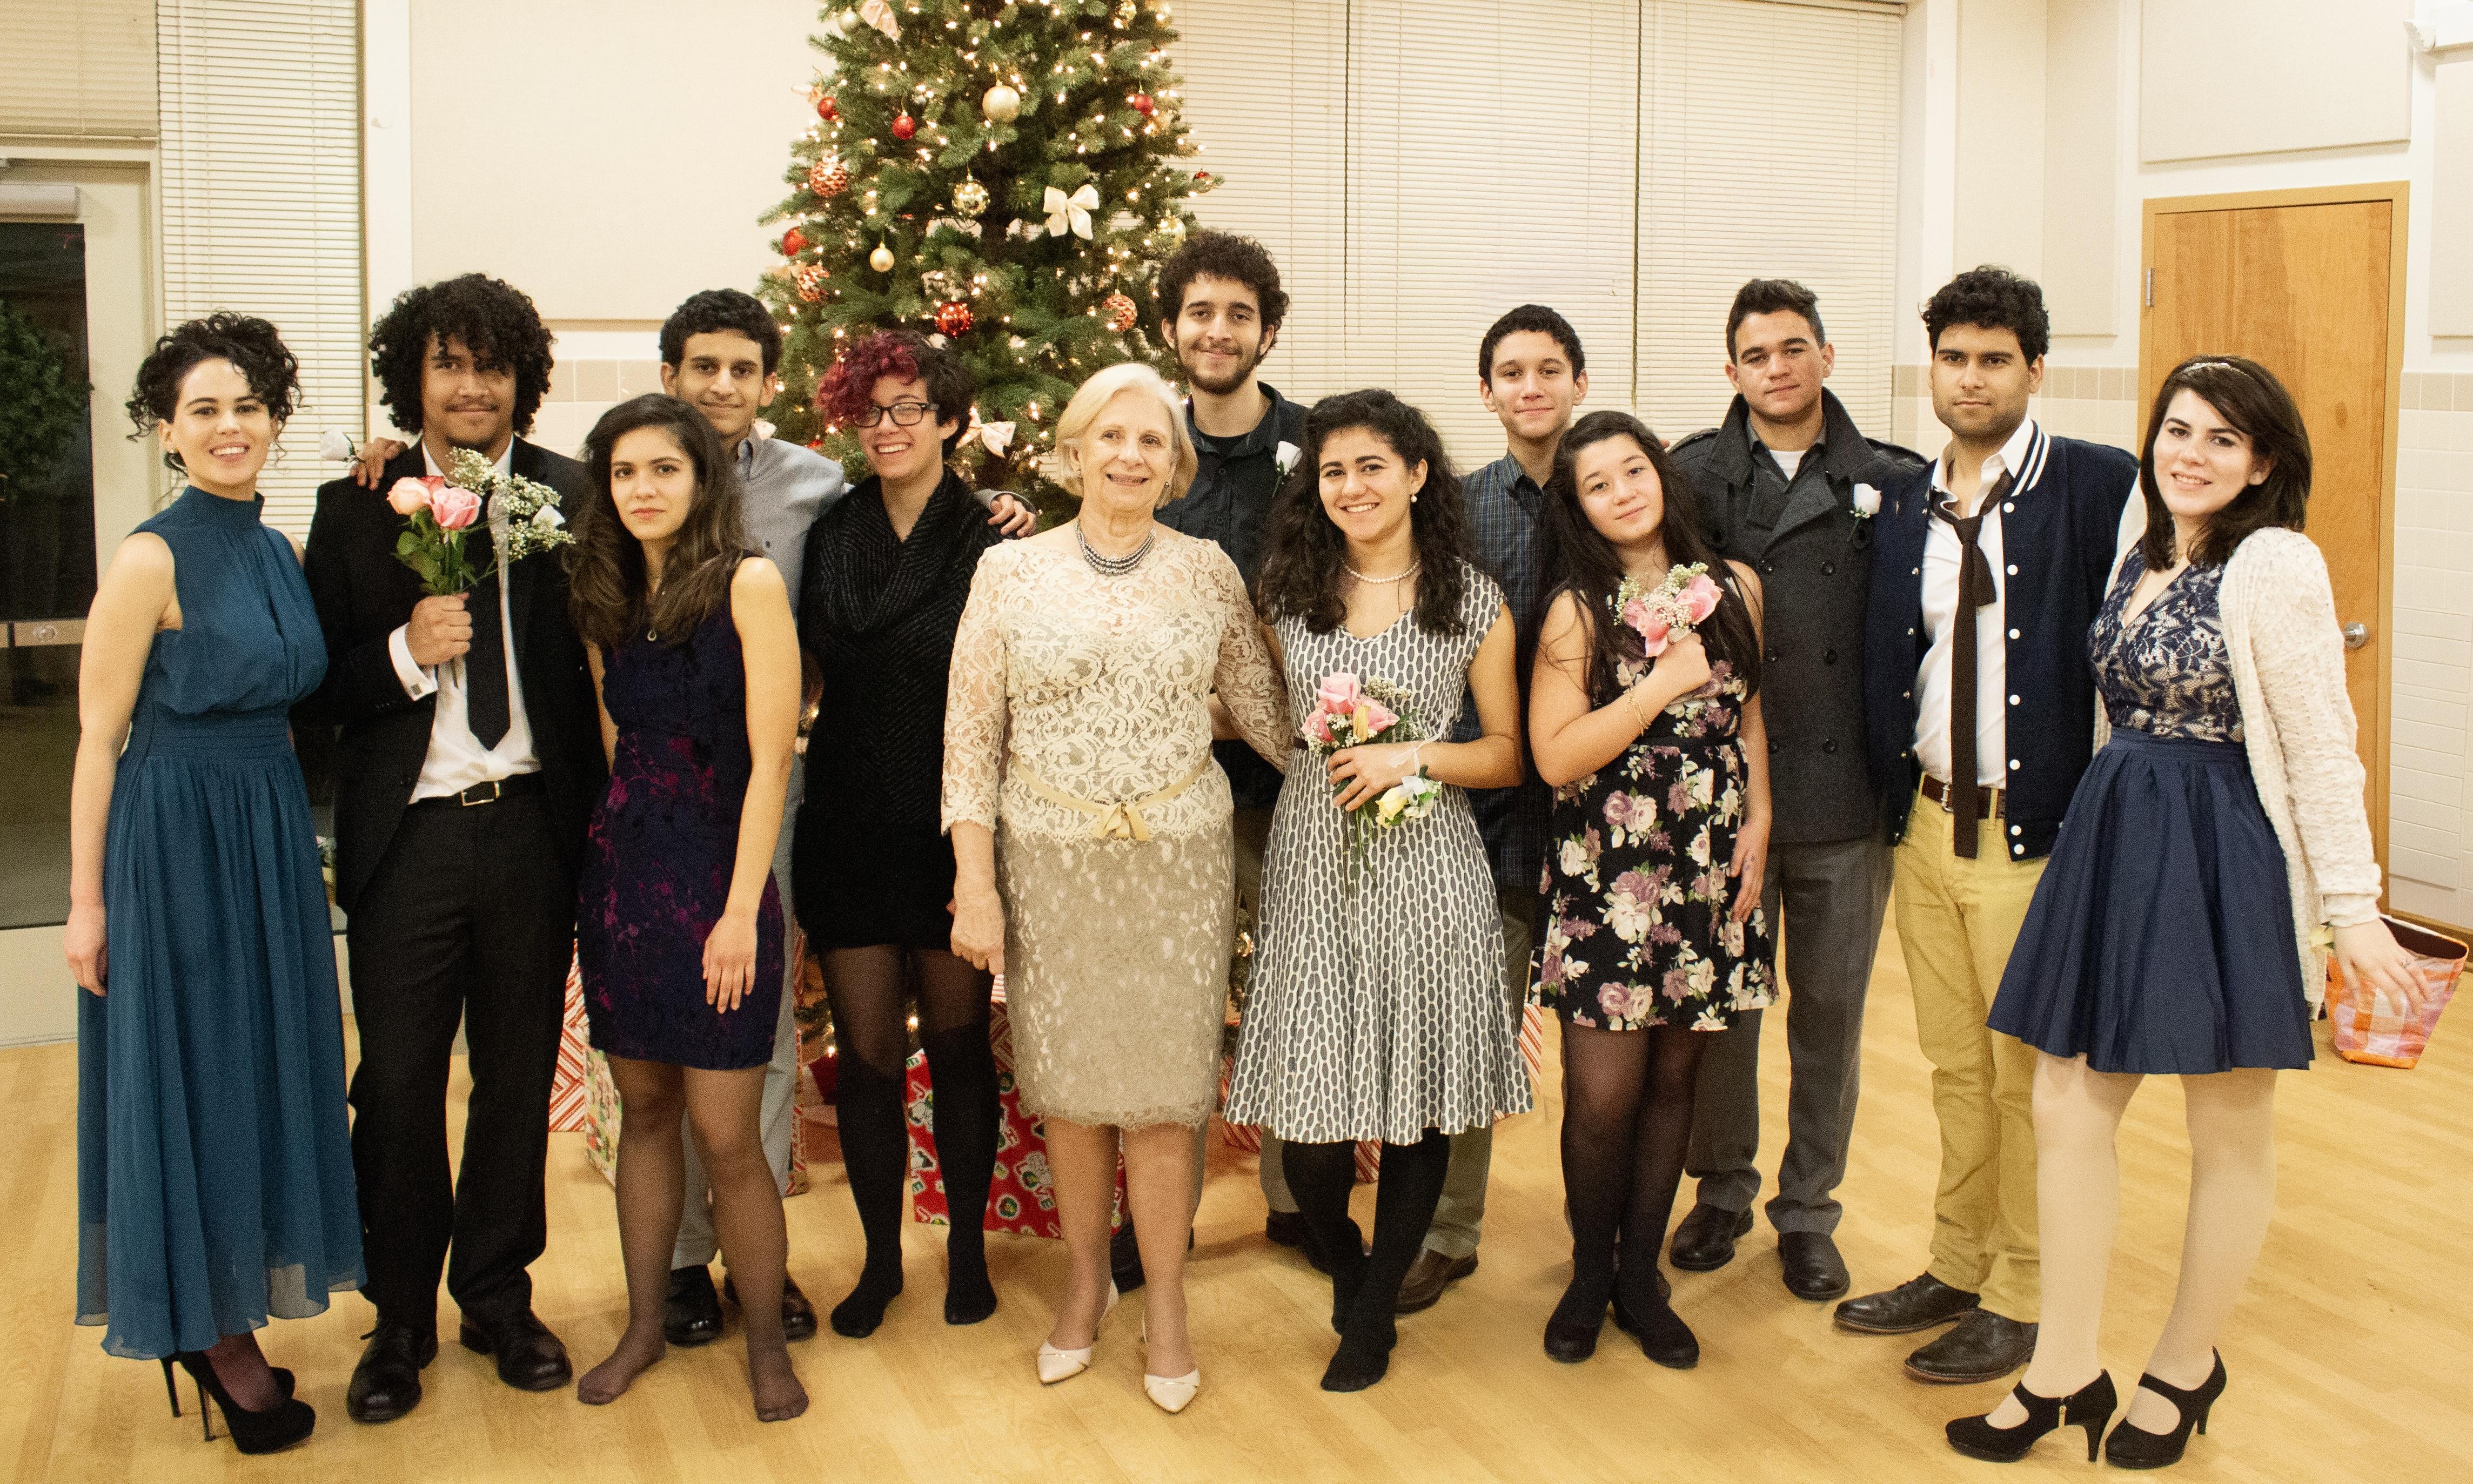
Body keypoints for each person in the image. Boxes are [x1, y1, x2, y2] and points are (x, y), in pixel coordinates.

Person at [347, 291, 1031, 1349]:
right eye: (700, 366)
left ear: (768, 380)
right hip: (586, 828)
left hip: (763, 802)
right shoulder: (515, 496)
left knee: (724, 1063)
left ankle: (727, 1274)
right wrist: (396, 514)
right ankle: (594, 1287)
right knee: (502, 1083)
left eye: (742, 368)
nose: (720, 386)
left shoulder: (802, 490)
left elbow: (912, 493)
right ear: (670, 378)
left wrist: (997, 504)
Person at [1948, 357, 2423, 1467]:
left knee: (2227, 1120)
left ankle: (2186, 1362)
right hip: (2118, 835)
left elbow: (2320, 749)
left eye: (2221, 439)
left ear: (2263, 462)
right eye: (2178, 430)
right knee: (2067, 1103)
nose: (2190, 455)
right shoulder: (2147, 551)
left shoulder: (2277, 565)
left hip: (2225, 850)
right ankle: (2064, 1370)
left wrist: (2352, 910)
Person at [942, 361, 1290, 1414]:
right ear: (1075, 450)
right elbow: (970, 740)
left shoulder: (1208, 573)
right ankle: (1088, 1284)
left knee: (1165, 1096)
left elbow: (1267, 716)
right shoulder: (1009, 576)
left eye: (1151, 441)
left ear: (1174, 463)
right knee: (1075, 1096)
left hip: (1178, 866)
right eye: (1111, 436)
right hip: (1050, 860)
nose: (1130, 455)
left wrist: (1380, 757)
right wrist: (974, 884)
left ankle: (1171, 1301)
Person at [299, 273, 606, 1422]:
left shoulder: (580, 495)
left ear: (523, 377)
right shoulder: (354, 507)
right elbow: (311, 690)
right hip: (411, 839)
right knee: (397, 1085)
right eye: (447, 365)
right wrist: (398, 652)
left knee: (519, 1078)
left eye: (491, 365)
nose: (471, 386)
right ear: (410, 381)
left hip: (533, 828)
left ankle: (495, 1293)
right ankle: (398, 1320)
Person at [67, 314, 358, 1454]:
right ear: (167, 430)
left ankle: (225, 1303)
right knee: (196, 1075)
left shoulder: (278, 551)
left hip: (268, 835)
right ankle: (212, 1329)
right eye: (203, 410)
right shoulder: (151, 555)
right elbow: (96, 741)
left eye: (247, 405)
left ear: (275, 420)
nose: (229, 426)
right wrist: (87, 906)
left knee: (259, 1068)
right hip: (177, 841)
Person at [1846, 266, 2139, 1385]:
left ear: (2035, 370)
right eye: (1954, 359)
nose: (1970, 379)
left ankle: (2021, 1292)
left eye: (1994, 360)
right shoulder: (1908, 500)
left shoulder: (2097, 486)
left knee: (2028, 1080)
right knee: (1955, 1070)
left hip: (2035, 839)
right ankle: (1957, 1264)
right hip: (1926, 832)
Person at [1224, 389, 1532, 1391]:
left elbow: (1506, 755)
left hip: (1430, 870)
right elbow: (1268, 717)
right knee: (1308, 1125)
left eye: (1370, 466)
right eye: (1332, 471)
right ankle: (1347, 1265)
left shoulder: (1472, 602)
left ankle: (1373, 1312)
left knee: (1418, 1107)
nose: (1351, 486)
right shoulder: (1284, 592)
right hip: (1313, 866)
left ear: (1415, 474)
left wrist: (1412, 758)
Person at [1667, 280, 1922, 1300]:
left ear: (1826, 356)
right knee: (1724, 1014)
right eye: (1755, 354)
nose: (1775, 368)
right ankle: (1720, 1189)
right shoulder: (1687, 477)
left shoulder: (1892, 481)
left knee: (1831, 1015)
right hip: (1721, 800)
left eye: (1792, 348)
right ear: (1730, 371)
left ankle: (1809, 1210)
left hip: (1844, 798)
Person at [565, 394, 806, 1421]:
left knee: (726, 1132)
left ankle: (764, 1343)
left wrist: (741, 910)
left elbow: (769, 764)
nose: (643, 490)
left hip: (721, 882)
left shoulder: (748, 585)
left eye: (664, 469)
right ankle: (645, 1326)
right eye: (625, 474)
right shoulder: (605, 593)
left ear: (701, 479)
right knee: (645, 1115)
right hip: (624, 885)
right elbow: (618, 749)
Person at [1530, 410, 1776, 1369]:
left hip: (1710, 863)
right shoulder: (1576, 611)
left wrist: (1760, 820)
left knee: (1677, 1081)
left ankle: (1642, 1278)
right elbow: (1555, 757)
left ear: (1661, 475)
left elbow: (1751, 721)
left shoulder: (1737, 588)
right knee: (1601, 1096)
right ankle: (1589, 1273)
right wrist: (1659, 686)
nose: (1622, 492)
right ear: (1581, 508)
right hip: (1611, 870)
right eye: (1598, 484)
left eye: (1633, 471)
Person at [794, 330, 1008, 1339]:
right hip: (846, 820)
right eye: (870, 411)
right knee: (871, 1058)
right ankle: (881, 1261)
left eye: (909, 408)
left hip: (952, 824)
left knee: (961, 1053)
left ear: (951, 419)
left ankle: (966, 1250)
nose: (887, 428)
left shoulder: (995, 537)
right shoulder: (831, 533)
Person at [1381, 304, 1590, 1314]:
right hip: (1493, 812)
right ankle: (1450, 1229)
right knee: (1473, 1027)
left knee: (1607, 1050)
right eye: (1510, 372)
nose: (1530, 387)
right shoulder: (1455, 510)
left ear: (1578, 383)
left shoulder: (1612, 486)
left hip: (1613, 817)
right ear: (1486, 393)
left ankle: (1606, 1237)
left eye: (1549, 369)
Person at [1142, 229, 1316, 1281]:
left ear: (1267, 329)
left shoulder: (1317, 445)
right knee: (1177, 1009)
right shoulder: (1147, 447)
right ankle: (1169, 1215)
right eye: (1199, 312)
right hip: (1176, 787)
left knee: (1292, 993)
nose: (1217, 330)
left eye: (1238, 314)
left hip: (1296, 781)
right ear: (1171, 328)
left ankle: (1299, 1203)